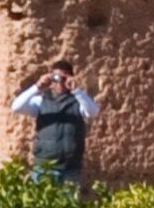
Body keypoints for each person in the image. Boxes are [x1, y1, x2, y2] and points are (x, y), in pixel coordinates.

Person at [11, 60, 99, 192]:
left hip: (70, 169)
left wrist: (77, 90)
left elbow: (92, 112)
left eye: (64, 78)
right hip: (45, 167)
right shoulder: (41, 100)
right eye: (57, 78)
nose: (60, 82)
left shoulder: (78, 101)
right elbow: (16, 107)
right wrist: (37, 87)